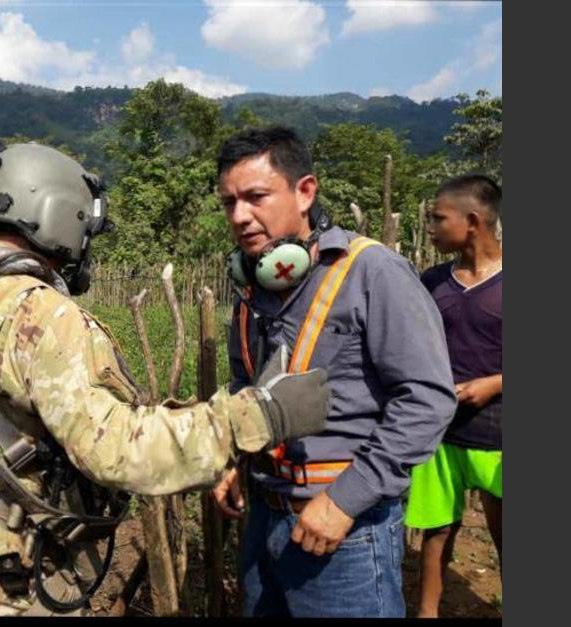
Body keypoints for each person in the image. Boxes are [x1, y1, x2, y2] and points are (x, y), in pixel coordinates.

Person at [0, 142, 331, 616]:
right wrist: (257, 417)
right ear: (59, 214)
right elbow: (119, 454)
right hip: (13, 573)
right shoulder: (43, 314)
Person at [210, 126, 457, 618]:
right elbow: (249, 392)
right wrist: (236, 462)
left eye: (255, 197)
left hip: (346, 531)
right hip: (264, 517)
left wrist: (344, 501)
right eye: (229, 203)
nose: (240, 216)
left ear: (305, 191)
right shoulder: (253, 288)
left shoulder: (373, 272)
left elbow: (428, 398)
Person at [405, 174, 503, 618]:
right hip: (441, 433)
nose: (430, 227)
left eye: (437, 218)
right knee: (436, 531)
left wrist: (494, 384)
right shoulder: (433, 282)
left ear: (472, 221)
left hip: (499, 435)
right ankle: (427, 613)